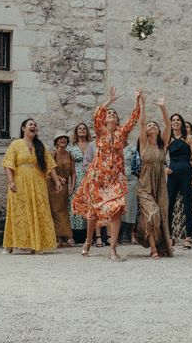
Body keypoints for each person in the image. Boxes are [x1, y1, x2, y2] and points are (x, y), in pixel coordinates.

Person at [72, 86, 141, 260]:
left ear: (117, 120)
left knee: (117, 210)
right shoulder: (100, 132)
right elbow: (97, 115)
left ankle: (113, 248)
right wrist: (109, 101)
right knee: (94, 213)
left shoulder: (121, 133)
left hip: (116, 178)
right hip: (98, 178)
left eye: (113, 114)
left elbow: (134, 119)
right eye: (108, 113)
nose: (110, 115)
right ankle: (88, 241)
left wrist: (138, 100)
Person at [2, 119, 66, 255]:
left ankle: (36, 244)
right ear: (23, 128)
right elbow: (8, 164)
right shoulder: (16, 144)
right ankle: (13, 244)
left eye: (35, 125)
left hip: (37, 182)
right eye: (31, 124)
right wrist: (11, 181)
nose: (34, 126)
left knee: (38, 210)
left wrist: (56, 181)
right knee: (20, 212)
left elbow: (50, 165)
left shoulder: (39, 145)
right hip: (20, 181)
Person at [136, 94, 173, 258]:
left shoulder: (162, 145)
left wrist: (163, 107)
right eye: (149, 125)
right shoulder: (144, 143)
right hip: (144, 185)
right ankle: (153, 249)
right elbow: (142, 122)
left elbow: (168, 125)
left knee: (161, 215)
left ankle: (159, 245)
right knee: (152, 213)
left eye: (154, 125)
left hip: (160, 185)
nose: (151, 126)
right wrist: (141, 104)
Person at [166, 112, 192, 250]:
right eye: (173, 120)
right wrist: (164, 168)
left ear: (181, 122)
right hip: (173, 174)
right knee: (169, 205)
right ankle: (168, 236)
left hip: (187, 173)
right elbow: (161, 155)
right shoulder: (168, 138)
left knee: (188, 205)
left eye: (178, 120)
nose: (175, 122)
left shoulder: (189, 137)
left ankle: (188, 238)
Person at [66, 123, 92, 244]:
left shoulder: (91, 145)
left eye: (84, 128)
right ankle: (75, 234)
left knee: (89, 203)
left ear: (87, 131)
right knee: (75, 203)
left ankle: (89, 234)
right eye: (79, 128)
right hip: (76, 177)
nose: (82, 130)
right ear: (76, 132)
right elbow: (67, 163)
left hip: (90, 176)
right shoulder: (71, 147)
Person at [49, 133, 76, 247]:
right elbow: (49, 169)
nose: (63, 139)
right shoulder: (53, 153)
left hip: (64, 185)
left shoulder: (70, 155)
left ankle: (64, 236)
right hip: (53, 184)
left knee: (64, 210)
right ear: (56, 141)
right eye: (60, 138)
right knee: (55, 210)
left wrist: (72, 185)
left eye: (65, 138)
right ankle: (59, 237)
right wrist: (58, 179)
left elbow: (73, 172)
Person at [121, 139, 139, 244]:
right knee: (118, 207)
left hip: (131, 179)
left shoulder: (133, 148)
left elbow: (138, 162)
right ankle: (119, 233)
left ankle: (131, 233)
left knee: (132, 206)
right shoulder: (113, 147)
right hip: (117, 180)